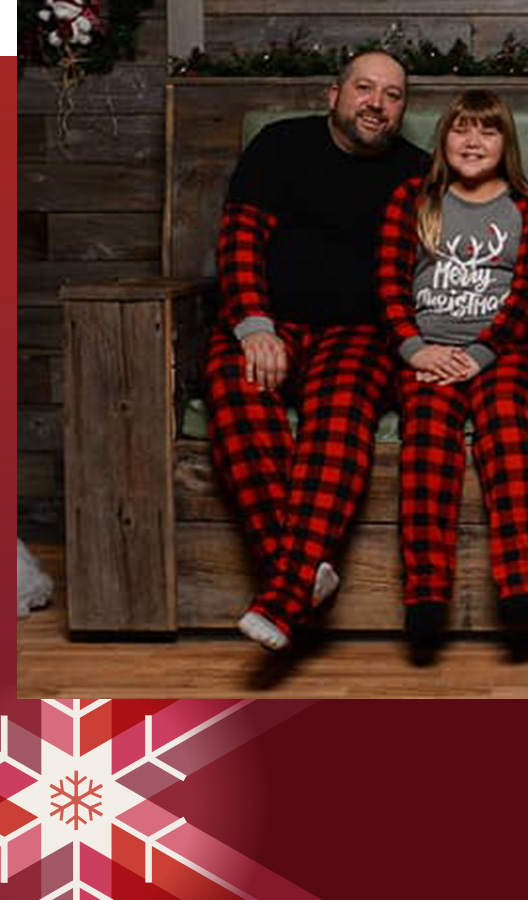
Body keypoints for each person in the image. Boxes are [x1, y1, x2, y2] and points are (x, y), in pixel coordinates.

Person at [204, 51, 428, 652]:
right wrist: (254, 323)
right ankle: (305, 572)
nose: (376, 103)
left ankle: (282, 592)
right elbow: (241, 240)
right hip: (270, 320)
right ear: (334, 94)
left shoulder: (417, 172)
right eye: (364, 88)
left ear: (403, 109)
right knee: (235, 390)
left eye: (392, 94)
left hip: (361, 333)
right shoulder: (281, 145)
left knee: (340, 414)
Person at [376, 89, 528, 654]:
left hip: (509, 349)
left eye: (487, 131)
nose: (473, 142)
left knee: (505, 421)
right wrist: (412, 349)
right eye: (461, 130)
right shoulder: (414, 197)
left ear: (506, 143)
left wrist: (481, 354)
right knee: (427, 433)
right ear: (443, 139)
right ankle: (426, 593)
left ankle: (522, 583)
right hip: (429, 349)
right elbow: (388, 283)